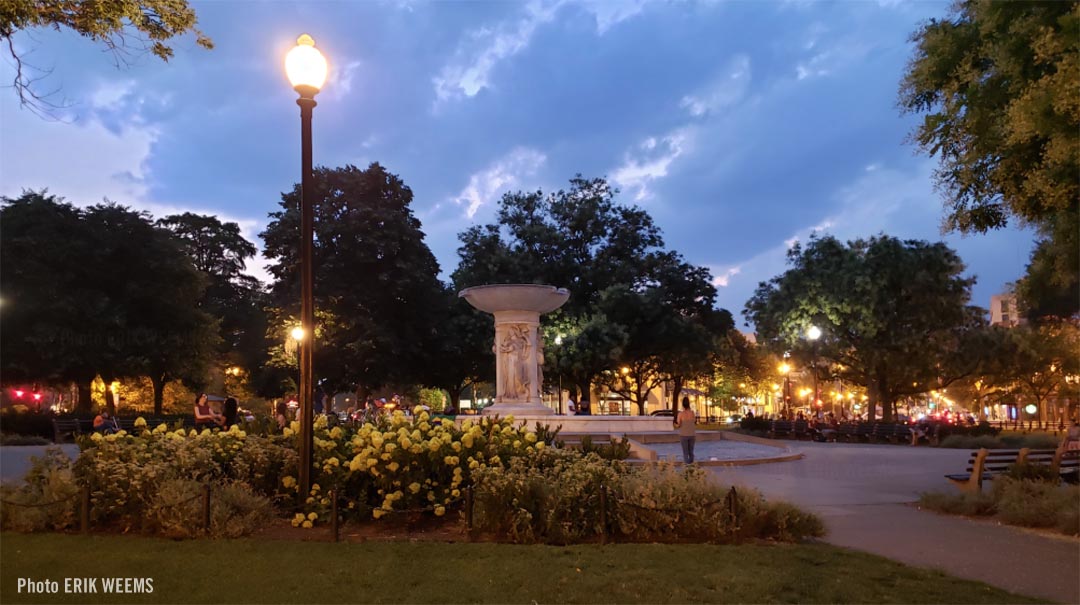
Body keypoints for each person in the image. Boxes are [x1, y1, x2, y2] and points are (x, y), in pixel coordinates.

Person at [674, 396, 696, 464]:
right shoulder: (692, 413)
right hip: (692, 434)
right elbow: (694, 422)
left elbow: (678, 424)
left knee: (685, 452)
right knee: (691, 451)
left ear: (682, 404)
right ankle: (691, 464)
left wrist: (675, 424)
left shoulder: (680, 414)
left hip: (683, 435)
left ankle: (687, 466)